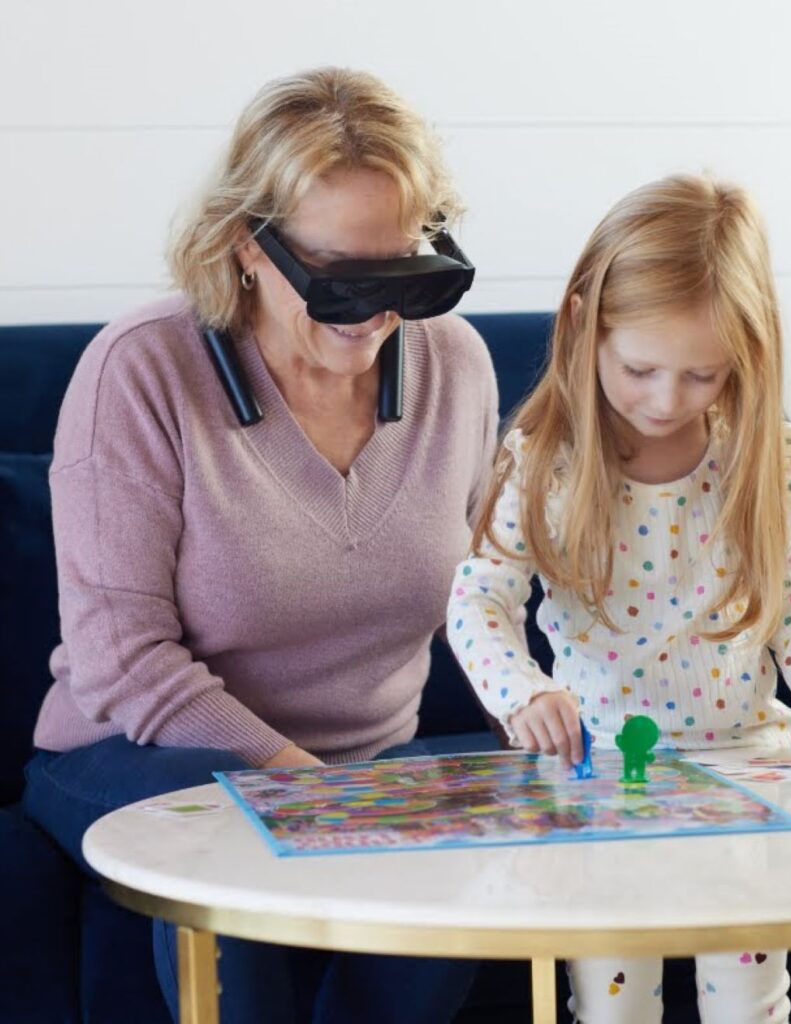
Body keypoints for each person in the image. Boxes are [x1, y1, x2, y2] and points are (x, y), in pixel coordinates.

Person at [23, 67, 498, 1024]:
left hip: (363, 766)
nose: (372, 315)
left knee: (463, 876)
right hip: (140, 752)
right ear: (247, 244)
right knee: (234, 832)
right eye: (334, 282)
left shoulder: (456, 366)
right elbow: (123, 664)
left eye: (401, 275)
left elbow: (497, 586)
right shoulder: (142, 370)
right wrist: (307, 792)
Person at [446, 174, 791, 1024]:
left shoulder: (757, 457)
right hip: (603, 783)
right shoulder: (547, 464)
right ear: (583, 323)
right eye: (640, 368)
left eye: (702, 376)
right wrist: (523, 692)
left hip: (748, 776)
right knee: (612, 1007)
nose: (666, 400)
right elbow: (479, 604)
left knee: (750, 1004)